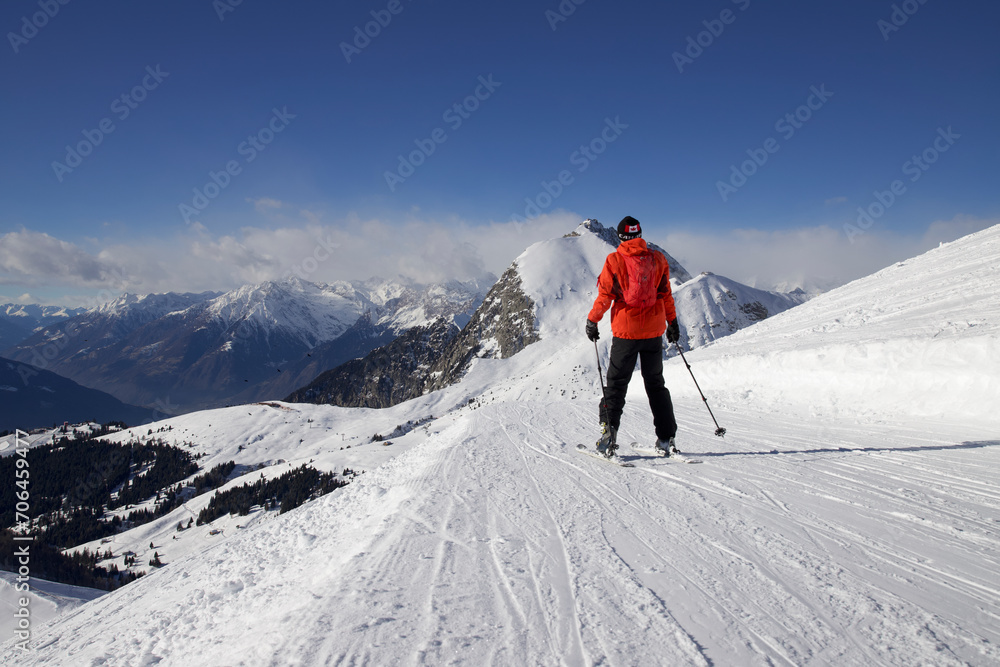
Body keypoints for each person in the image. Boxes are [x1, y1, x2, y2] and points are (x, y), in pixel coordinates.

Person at [586, 216, 681, 458]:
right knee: (655, 385)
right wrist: (673, 322)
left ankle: (608, 437)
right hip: (653, 332)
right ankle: (666, 438)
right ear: (640, 234)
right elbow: (666, 295)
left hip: (626, 333)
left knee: (616, 385)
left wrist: (592, 320)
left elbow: (605, 295)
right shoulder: (658, 259)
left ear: (620, 237)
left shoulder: (614, 260)